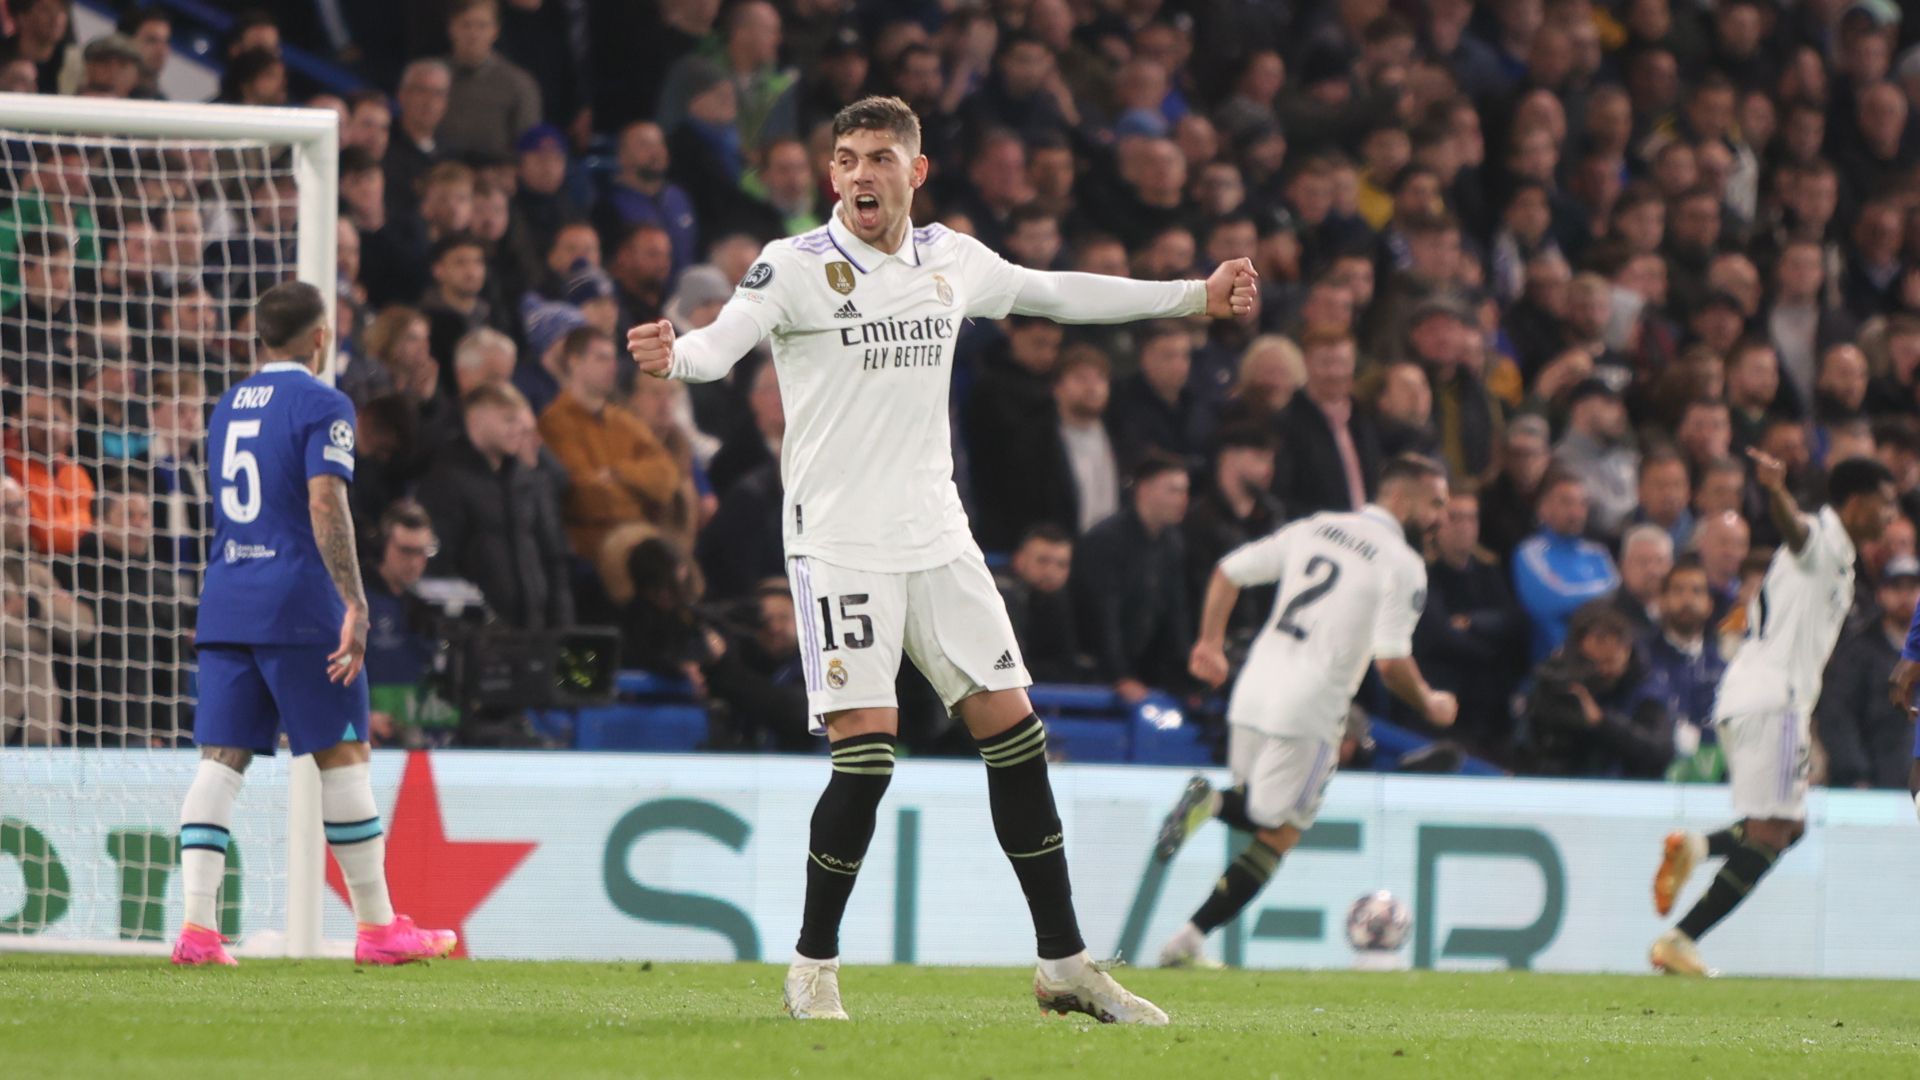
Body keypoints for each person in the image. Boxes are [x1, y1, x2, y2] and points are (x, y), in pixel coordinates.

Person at [628, 96, 1256, 1025]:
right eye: (846, 158)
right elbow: (726, 342)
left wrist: (1192, 298)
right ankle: (812, 967)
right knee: (868, 758)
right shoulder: (793, 266)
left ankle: (1064, 964)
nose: (859, 175)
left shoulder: (950, 260)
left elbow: (1056, 291)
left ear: (915, 173)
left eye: (880, 158)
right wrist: (678, 356)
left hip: (939, 539)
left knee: (1019, 740)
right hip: (840, 546)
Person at [172, 282, 455, 968]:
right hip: (298, 604)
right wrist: (355, 602)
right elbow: (326, 504)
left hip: (228, 599)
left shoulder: (227, 405)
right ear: (321, 336)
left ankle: (197, 932)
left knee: (221, 760)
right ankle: (379, 927)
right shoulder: (327, 404)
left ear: (257, 336)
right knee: (343, 755)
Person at [1152, 455, 1458, 968]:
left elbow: (1228, 571)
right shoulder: (1402, 565)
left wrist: (1210, 642)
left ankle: (1188, 938)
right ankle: (1200, 859)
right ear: (1402, 499)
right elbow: (1391, 662)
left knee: (1260, 809)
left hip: (1254, 687)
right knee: (1281, 828)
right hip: (1312, 704)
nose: (1440, 518)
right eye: (1435, 504)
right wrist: (1430, 701)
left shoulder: (1316, 527)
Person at [1650, 452, 1898, 975]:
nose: (1892, 516)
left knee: (1791, 824)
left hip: (1760, 695)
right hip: (1774, 699)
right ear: (1856, 503)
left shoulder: (1843, 553)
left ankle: (1695, 847)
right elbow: (1797, 533)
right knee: (1771, 832)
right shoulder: (1823, 539)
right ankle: (1679, 939)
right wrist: (1775, 492)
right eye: (1886, 504)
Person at [537, 328, 680, 560]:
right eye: (601, 358)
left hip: (641, 543)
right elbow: (585, 497)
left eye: (613, 358)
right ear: (574, 362)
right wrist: (641, 494)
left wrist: (618, 473)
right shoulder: (554, 423)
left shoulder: (623, 421)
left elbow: (666, 477)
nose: (612, 367)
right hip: (593, 550)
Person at [1071, 455, 1194, 699]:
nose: (1183, 500)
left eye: (1185, 491)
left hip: (1141, 669)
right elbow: (1102, 614)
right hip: (1094, 673)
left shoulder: (1172, 543)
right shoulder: (1105, 540)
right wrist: (1120, 676)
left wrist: (1184, 677)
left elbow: (1175, 614)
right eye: (1173, 490)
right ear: (1145, 490)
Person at [1522, 602, 1673, 779]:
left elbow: (1659, 751)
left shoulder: (1648, 687)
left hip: (1628, 790)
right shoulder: (1559, 681)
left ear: (1626, 650)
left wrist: (1602, 722)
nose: (1602, 670)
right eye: (1592, 663)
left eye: (1610, 662)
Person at [1816, 556, 1920, 790]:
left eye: (1912, 588)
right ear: (1880, 594)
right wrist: (1855, 775)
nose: (1905, 597)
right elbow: (1838, 717)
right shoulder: (1856, 653)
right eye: (1896, 588)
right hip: (1878, 786)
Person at [1513, 471, 1621, 661]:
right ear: (1543, 508)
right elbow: (1546, 603)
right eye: (1566, 502)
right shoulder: (1530, 553)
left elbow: (1620, 595)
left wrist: (1571, 604)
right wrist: (1602, 593)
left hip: (1604, 661)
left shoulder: (1598, 553)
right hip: (1555, 666)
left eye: (1582, 504)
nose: (1576, 512)